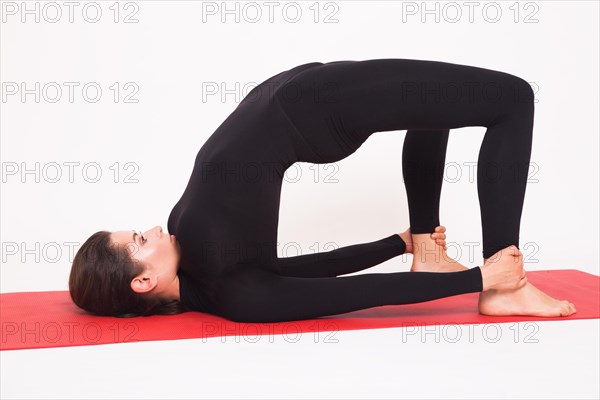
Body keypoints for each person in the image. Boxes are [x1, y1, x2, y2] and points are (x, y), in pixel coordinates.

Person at [69, 59, 576, 322]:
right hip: (317, 108)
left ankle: (424, 246)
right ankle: (508, 283)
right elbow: (351, 293)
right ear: (143, 282)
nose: (153, 229)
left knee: (437, 106)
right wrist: (478, 278)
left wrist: (393, 244)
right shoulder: (235, 294)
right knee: (513, 98)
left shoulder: (207, 266)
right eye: (139, 240)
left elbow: (306, 269)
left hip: (306, 100)